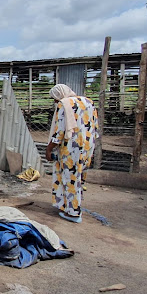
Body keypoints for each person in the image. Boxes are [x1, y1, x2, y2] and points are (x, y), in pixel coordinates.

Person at [45, 84, 99, 223]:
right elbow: (95, 128)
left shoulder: (64, 104)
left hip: (71, 148)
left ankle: (73, 213)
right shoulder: (89, 102)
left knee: (69, 178)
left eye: (54, 98)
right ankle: (69, 205)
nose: (55, 102)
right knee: (78, 177)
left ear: (59, 95)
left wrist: (49, 148)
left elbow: (60, 132)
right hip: (87, 146)